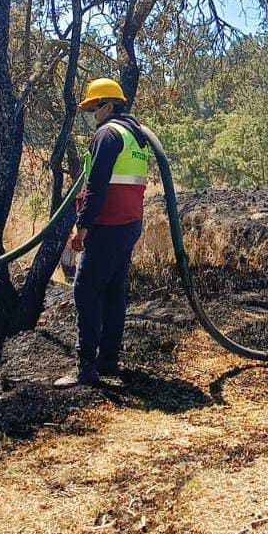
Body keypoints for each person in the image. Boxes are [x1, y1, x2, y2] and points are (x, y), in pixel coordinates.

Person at [55, 78, 152, 388]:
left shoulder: (108, 134)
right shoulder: (135, 136)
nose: (92, 114)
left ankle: (86, 368)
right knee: (113, 293)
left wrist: (82, 229)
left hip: (107, 225)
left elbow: (96, 186)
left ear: (109, 106)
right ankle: (108, 362)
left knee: (85, 291)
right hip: (129, 224)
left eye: (94, 107)